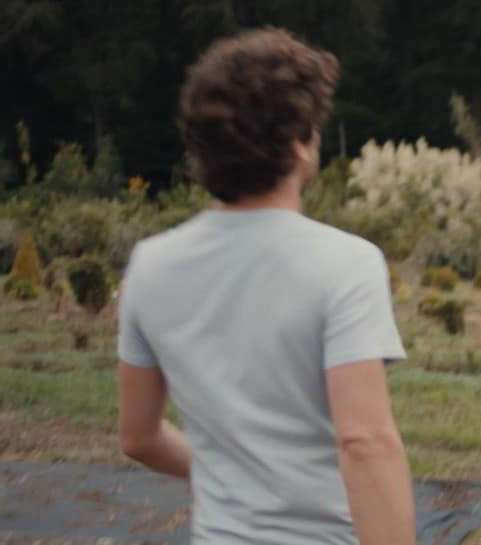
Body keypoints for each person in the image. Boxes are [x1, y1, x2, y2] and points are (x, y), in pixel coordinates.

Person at [115, 28, 415, 544]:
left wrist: (235, 475)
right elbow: (365, 442)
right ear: (300, 146)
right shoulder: (346, 263)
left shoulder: (150, 264)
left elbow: (139, 438)